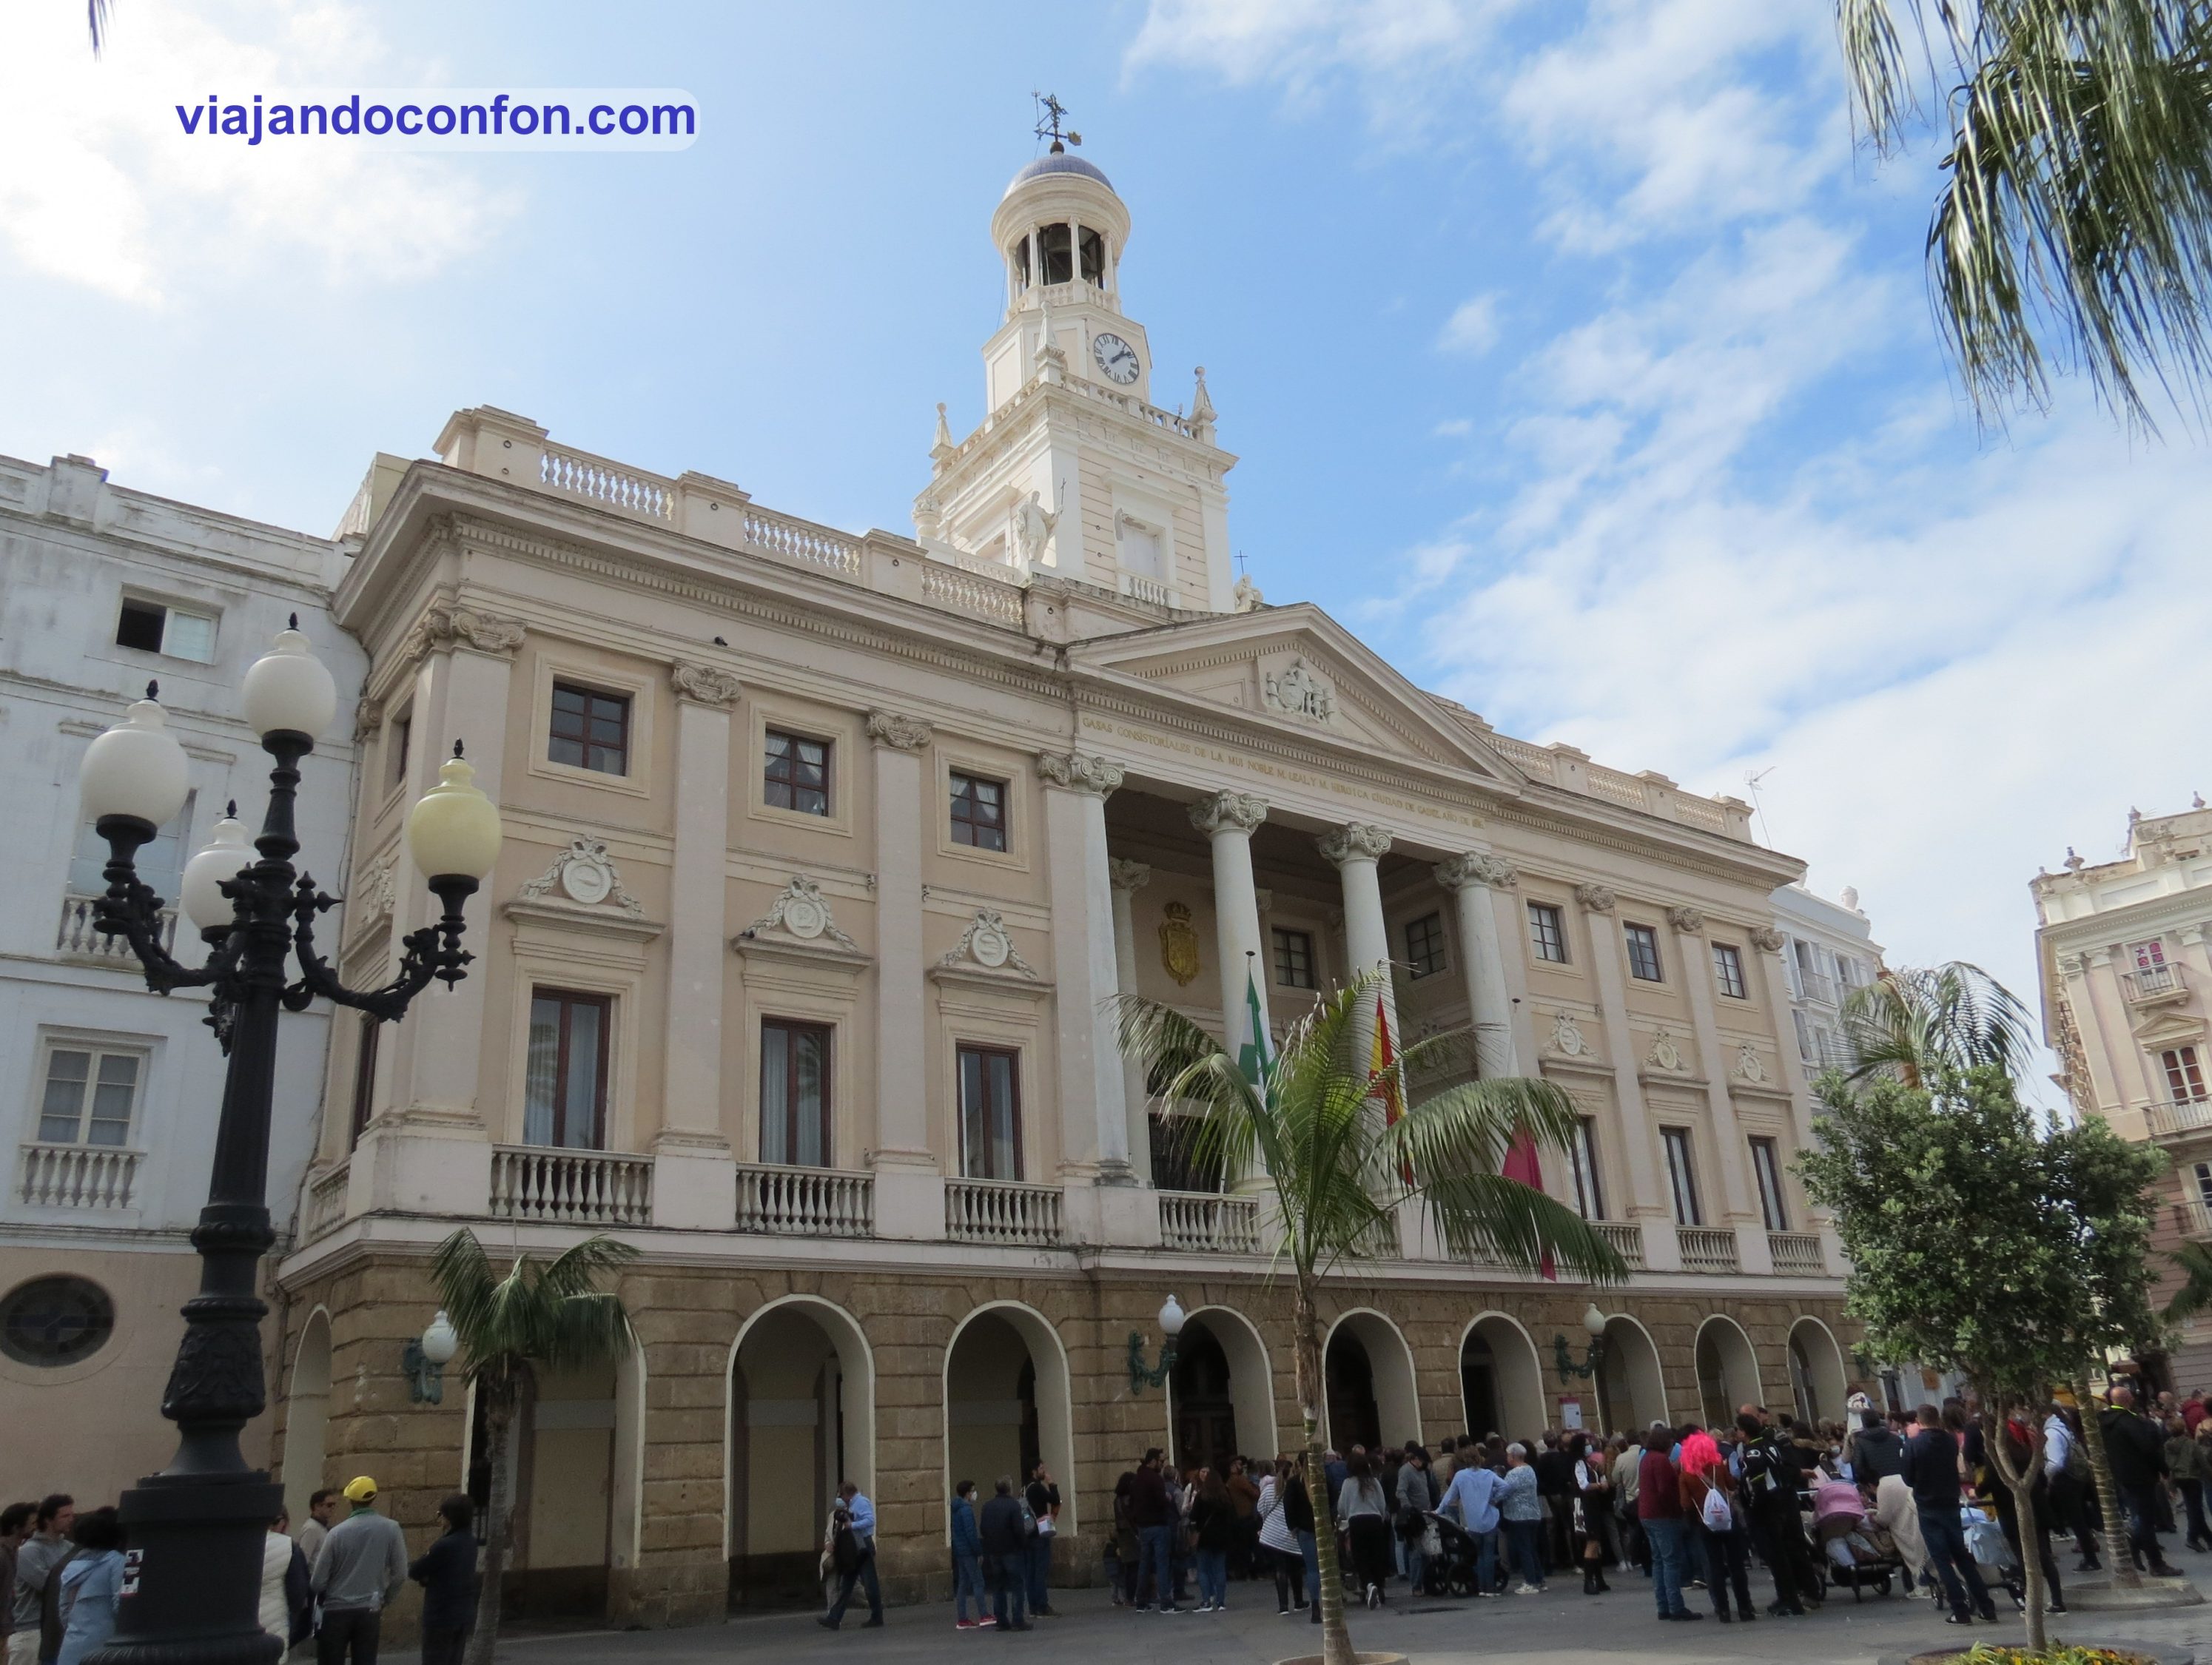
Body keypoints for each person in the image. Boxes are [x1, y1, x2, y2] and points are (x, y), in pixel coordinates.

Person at [1902, 1405, 1997, 1626]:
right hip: (1950, 1501)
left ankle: (1959, 1610)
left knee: (1942, 1559)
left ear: (1919, 1420)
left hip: (1928, 1504)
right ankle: (1986, 1606)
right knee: (1962, 1556)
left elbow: (1907, 1477)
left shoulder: (1914, 1445)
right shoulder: (1949, 1441)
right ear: (1937, 1419)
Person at [312, 1476, 407, 1665]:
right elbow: (401, 1573)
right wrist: (385, 1598)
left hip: (336, 1609)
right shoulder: (391, 1528)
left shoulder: (336, 1533)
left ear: (350, 1501)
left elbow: (318, 1581)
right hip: (370, 1608)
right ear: (374, 1498)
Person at [1735, 1413, 1814, 1616]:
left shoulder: (1753, 1451)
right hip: (1779, 1503)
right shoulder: (1769, 1445)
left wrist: (1752, 1505)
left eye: (1738, 1430)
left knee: (1775, 1556)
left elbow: (1757, 1482)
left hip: (1766, 1509)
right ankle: (1787, 1596)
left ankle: (1790, 1600)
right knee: (1780, 1554)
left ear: (1744, 1432)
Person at [2102, 1385, 2181, 1576]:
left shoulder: (2104, 1422)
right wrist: (2163, 1469)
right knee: (2145, 1519)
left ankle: (2141, 1551)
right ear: (2128, 1399)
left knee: (2141, 1516)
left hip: (2122, 1475)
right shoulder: (2130, 1421)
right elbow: (2148, 1448)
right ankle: (2153, 1560)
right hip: (2141, 1476)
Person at [1679, 1430, 1753, 1623]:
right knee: (1737, 1566)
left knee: (1715, 1566)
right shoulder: (1718, 1467)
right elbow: (1731, 1485)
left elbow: (1686, 1504)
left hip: (1705, 1523)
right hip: (1728, 1521)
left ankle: (1723, 1610)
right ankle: (1745, 1608)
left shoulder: (1686, 1475)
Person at [405, 1494, 479, 1665]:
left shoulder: (444, 1545)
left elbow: (416, 1571)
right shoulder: (470, 1541)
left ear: (448, 1517)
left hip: (441, 1616)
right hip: (462, 1614)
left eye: (441, 1514)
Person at [1636, 1427, 1697, 1621]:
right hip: (1663, 1516)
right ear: (1666, 1443)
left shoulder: (1647, 1458)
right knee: (1671, 1561)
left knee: (1659, 1561)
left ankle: (1663, 1606)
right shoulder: (1660, 1460)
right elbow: (1665, 1491)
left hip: (1647, 1514)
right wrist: (1678, 1509)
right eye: (1671, 1444)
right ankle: (1676, 1606)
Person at [50, 1509, 123, 1665]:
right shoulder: (116, 1562)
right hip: (105, 1650)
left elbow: (64, 1611)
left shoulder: (71, 1566)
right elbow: (122, 1606)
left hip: (71, 1649)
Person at [12, 1497, 73, 1665]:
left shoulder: (68, 1547)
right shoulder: (29, 1551)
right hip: (32, 1629)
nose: (71, 1519)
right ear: (48, 1519)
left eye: (72, 1515)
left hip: (59, 1630)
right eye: (65, 1516)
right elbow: (48, 1586)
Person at [1437, 1441, 1502, 1598]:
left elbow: (1449, 1496)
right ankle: (1491, 1587)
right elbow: (1505, 1486)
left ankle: (1480, 1587)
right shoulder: (1488, 1474)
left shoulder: (1460, 1476)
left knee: (1478, 1554)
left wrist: (1438, 1510)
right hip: (1489, 1518)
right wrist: (1495, 1498)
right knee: (1488, 1553)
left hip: (1472, 1520)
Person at [818, 1481, 884, 1629]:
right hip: (855, 1546)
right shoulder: (852, 1504)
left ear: (847, 1493)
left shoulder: (861, 1502)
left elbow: (870, 1520)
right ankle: (834, 1618)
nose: (841, 1498)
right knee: (846, 1584)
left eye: (841, 1495)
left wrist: (852, 1525)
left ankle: (877, 1616)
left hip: (863, 1545)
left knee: (870, 1583)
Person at [1335, 1450, 1390, 1610]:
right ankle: (1380, 1588)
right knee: (1377, 1556)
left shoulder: (1348, 1483)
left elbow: (1341, 1508)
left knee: (1360, 1556)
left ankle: (1368, 1584)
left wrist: (1346, 1513)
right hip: (1374, 1521)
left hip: (1356, 1522)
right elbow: (1382, 1504)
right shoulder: (1374, 1482)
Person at [978, 1476, 1032, 1632]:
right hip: (1011, 1550)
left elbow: (983, 1528)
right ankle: (1017, 1619)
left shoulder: (987, 1506)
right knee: (1017, 1585)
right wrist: (1024, 1545)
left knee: (998, 1586)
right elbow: (1018, 1529)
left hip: (994, 1551)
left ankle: (1001, 1619)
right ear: (1009, 1488)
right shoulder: (1013, 1505)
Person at [1128, 1450, 1178, 1612]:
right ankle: (1166, 1602)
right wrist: (1167, 1498)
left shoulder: (1137, 1479)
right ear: (1153, 1461)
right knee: (1162, 1563)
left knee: (1144, 1564)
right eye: (1161, 1462)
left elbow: (1132, 1504)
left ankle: (1141, 1601)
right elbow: (1160, 1501)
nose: (1162, 1465)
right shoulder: (1155, 1479)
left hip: (1143, 1526)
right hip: (1158, 1524)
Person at [260, 1507, 313, 1652]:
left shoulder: (244, 1543)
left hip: (246, 1621)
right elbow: (298, 1592)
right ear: (282, 1522)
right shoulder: (289, 1546)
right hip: (277, 1618)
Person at [1497, 1444, 1547, 1595]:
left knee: (1524, 1549)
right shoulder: (1530, 1470)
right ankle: (1539, 1579)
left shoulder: (1513, 1474)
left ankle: (1530, 1582)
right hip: (1533, 1514)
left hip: (1518, 1516)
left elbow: (1504, 1491)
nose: (1507, 1459)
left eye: (1508, 1456)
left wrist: (1493, 1499)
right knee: (1531, 1548)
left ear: (1513, 1456)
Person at [1569, 1435, 1614, 1594]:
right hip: (1586, 1506)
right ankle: (1589, 1582)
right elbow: (1584, 1485)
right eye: (1586, 1444)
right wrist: (1599, 1485)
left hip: (1592, 1505)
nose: (1589, 1446)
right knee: (1592, 1542)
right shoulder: (1579, 1464)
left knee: (1596, 1543)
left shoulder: (1588, 1464)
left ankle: (1599, 1579)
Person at [1255, 1461, 1302, 1614]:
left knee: (1280, 1569)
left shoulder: (1269, 1490)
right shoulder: (1296, 1488)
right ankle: (1299, 1601)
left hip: (1273, 1535)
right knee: (1295, 1569)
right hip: (1291, 1534)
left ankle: (1283, 1606)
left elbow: (1261, 1509)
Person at [1190, 1470, 1234, 1612]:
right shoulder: (1225, 1497)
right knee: (1220, 1569)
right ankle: (1221, 1602)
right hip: (1221, 1537)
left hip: (1205, 1537)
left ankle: (1206, 1601)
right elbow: (1232, 1517)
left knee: (1203, 1569)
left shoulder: (1201, 1496)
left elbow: (1193, 1516)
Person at [1395, 1445, 1435, 1596]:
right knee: (1416, 1553)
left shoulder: (1422, 1471)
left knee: (1427, 1552)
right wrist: (1409, 1509)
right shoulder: (1405, 1471)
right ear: (1416, 1459)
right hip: (1414, 1517)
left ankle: (1426, 1582)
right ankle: (1416, 1585)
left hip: (1426, 1514)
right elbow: (1400, 1491)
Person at [1021, 1461, 1059, 1617]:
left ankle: (1033, 1606)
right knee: (1040, 1571)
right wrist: (1052, 1484)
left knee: (1030, 1571)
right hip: (1040, 1532)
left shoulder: (1024, 1488)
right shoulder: (1037, 1487)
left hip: (1028, 1533)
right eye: (1042, 1468)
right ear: (1034, 1471)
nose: (1044, 1471)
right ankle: (1042, 1605)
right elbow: (1055, 1500)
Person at [2168, 1416, 2212, 1553]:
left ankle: (2209, 1538)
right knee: (2195, 1510)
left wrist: (2172, 1486)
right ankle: (2191, 1537)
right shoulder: (2191, 1444)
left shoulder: (2168, 1445)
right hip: (2193, 1477)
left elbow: (2170, 1466)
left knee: (2194, 1507)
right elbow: (2202, 1462)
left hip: (2179, 1479)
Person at [1534, 1432, 1576, 1573]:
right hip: (1564, 1494)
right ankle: (1572, 1557)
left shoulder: (1543, 1459)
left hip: (1550, 1496)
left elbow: (1539, 1479)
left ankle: (1551, 1559)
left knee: (1551, 1529)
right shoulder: (1564, 1458)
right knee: (1568, 1527)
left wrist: (1547, 1492)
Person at [950, 1479, 989, 1629]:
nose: (974, 1493)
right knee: (978, 1582)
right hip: (968, 1551)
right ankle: (984, 1614)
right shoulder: (966, 1509)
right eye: (973, 1490)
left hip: (960, 1550)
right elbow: (971, 1533)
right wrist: (979, 1551)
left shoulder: (956, 1508)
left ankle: (962, 1618)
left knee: (963, 1584)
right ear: (967, 1493)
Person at [295, 1490, 336, 1570]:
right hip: (313, 1579)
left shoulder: (323, 1527)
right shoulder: (311, 1528)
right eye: (329, 1505)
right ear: (317, 1506)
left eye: (334, 1505)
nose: (332, 1508)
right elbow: (303, 1560)